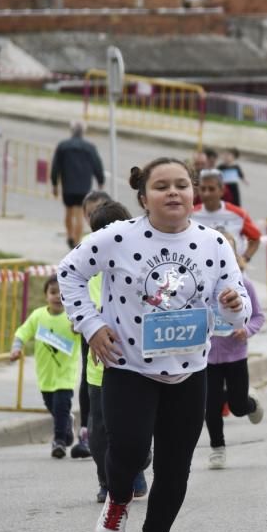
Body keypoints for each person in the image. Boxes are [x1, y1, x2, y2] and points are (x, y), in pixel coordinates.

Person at [57, 157, 251, 532]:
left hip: (189, 371)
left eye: (182, 184)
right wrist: (92, 326)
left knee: (175, 467)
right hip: (128, 366)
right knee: (126, 450)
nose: (173, 193)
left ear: (194, 193)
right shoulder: (116, 238)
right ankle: (119, 498)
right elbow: (68, 273)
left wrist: (233, 307)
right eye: (162, 186)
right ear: (144, 197)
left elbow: (237, 310)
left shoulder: (214, 243)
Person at [81, 200, 150, 503]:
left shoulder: (136, 268)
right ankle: (107, 480)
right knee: (99, 435)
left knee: (132, 432)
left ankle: (135, 470)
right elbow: (74, 304)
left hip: (134, 366)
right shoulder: (87, 270)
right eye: (99, 233)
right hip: (98, 369)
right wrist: (85, 322)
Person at [205, 233, 266, 470]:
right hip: (208, 356)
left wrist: (246, 330)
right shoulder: (202, 283)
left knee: (237, 406)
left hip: (235, 355)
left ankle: (251, 403)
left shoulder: (244, 283)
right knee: (211, 405)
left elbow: (258, 316)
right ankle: (217, 448)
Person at [9, 276, 80, 458]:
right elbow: (22, 332)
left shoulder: (73, 316)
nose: (58, 297)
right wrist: (16, 348)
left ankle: (59, 442)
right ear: (46, 295)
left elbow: (85, 331)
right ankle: (66, 425)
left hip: (65, 375)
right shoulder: (38, 316)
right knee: (52, 406)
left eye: (62, 293)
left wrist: (78, 328)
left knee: (61, 405)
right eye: (53, 292)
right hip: (45, 376)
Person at [68, 190, 115, 461]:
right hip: (93, 325)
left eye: (100, 212)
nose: (94, 218)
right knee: (90, 380)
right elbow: (75, 282)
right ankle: (87, 428)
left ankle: (137, 454)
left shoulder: (125, 241)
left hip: (122, 326)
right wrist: (81, 316)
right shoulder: (86, 245)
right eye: (89, 215)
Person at [51, 120, 106, 249]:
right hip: (83, 185)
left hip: (67, 185)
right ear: (83, 132)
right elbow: (97, 165)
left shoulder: (63, 146)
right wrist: (100, 180)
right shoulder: (90, 148)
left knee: (69, 212)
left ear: (71, 131)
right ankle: (76, 242)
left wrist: (54, 183)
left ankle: (70, 236)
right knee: (80, 214)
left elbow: (55, 167)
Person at [191, 169, 261, 263]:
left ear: (222, 190)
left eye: (211, 189)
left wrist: (245, 259)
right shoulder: (191, 215)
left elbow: (255, 238)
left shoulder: (239, 214)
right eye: (203, 189)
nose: (206, 193)